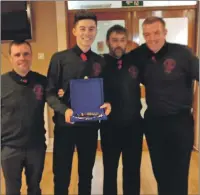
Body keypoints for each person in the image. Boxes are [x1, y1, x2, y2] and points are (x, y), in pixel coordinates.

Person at [129, 16, 199, 195]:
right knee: (160, 172)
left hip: (180, 122)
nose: (152, 38)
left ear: (165, 32)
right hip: (154, 122)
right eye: (147, 34)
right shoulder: (140, 55)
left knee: (179, 173)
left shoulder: (183, 53)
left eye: (156, 33)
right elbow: (116, 66)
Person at [46, 10, 111, 195]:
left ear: (96, 31)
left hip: (90, 128)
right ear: (74, 31)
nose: (87, 33)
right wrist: (64, 109)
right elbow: (50, 92)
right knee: (61, 174)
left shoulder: (100, 61)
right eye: (82, 28)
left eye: (91, 29)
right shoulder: (59, 58)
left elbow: (105, 93)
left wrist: (108, 103)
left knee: (86, 174)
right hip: (65, 126)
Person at [100, 25, 143, 195]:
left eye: (122, 40)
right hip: (109, 126)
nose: (119, 44)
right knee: (110, 169)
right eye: (115, 40)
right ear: (108, 42)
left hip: (134, 125)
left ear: (127, 42)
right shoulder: (100, 63)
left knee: (132, 169)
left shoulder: (136, 61)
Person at [1, 40, 47, 195]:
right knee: (12, 190)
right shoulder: (1, 83)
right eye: (17, 54)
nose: (22, 58)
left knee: (35, 188)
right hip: (10, 148)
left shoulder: (42, 81)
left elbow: (58, 100)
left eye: (26, 53)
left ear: (31, 55)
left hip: (36, 146)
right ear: (10, 58)